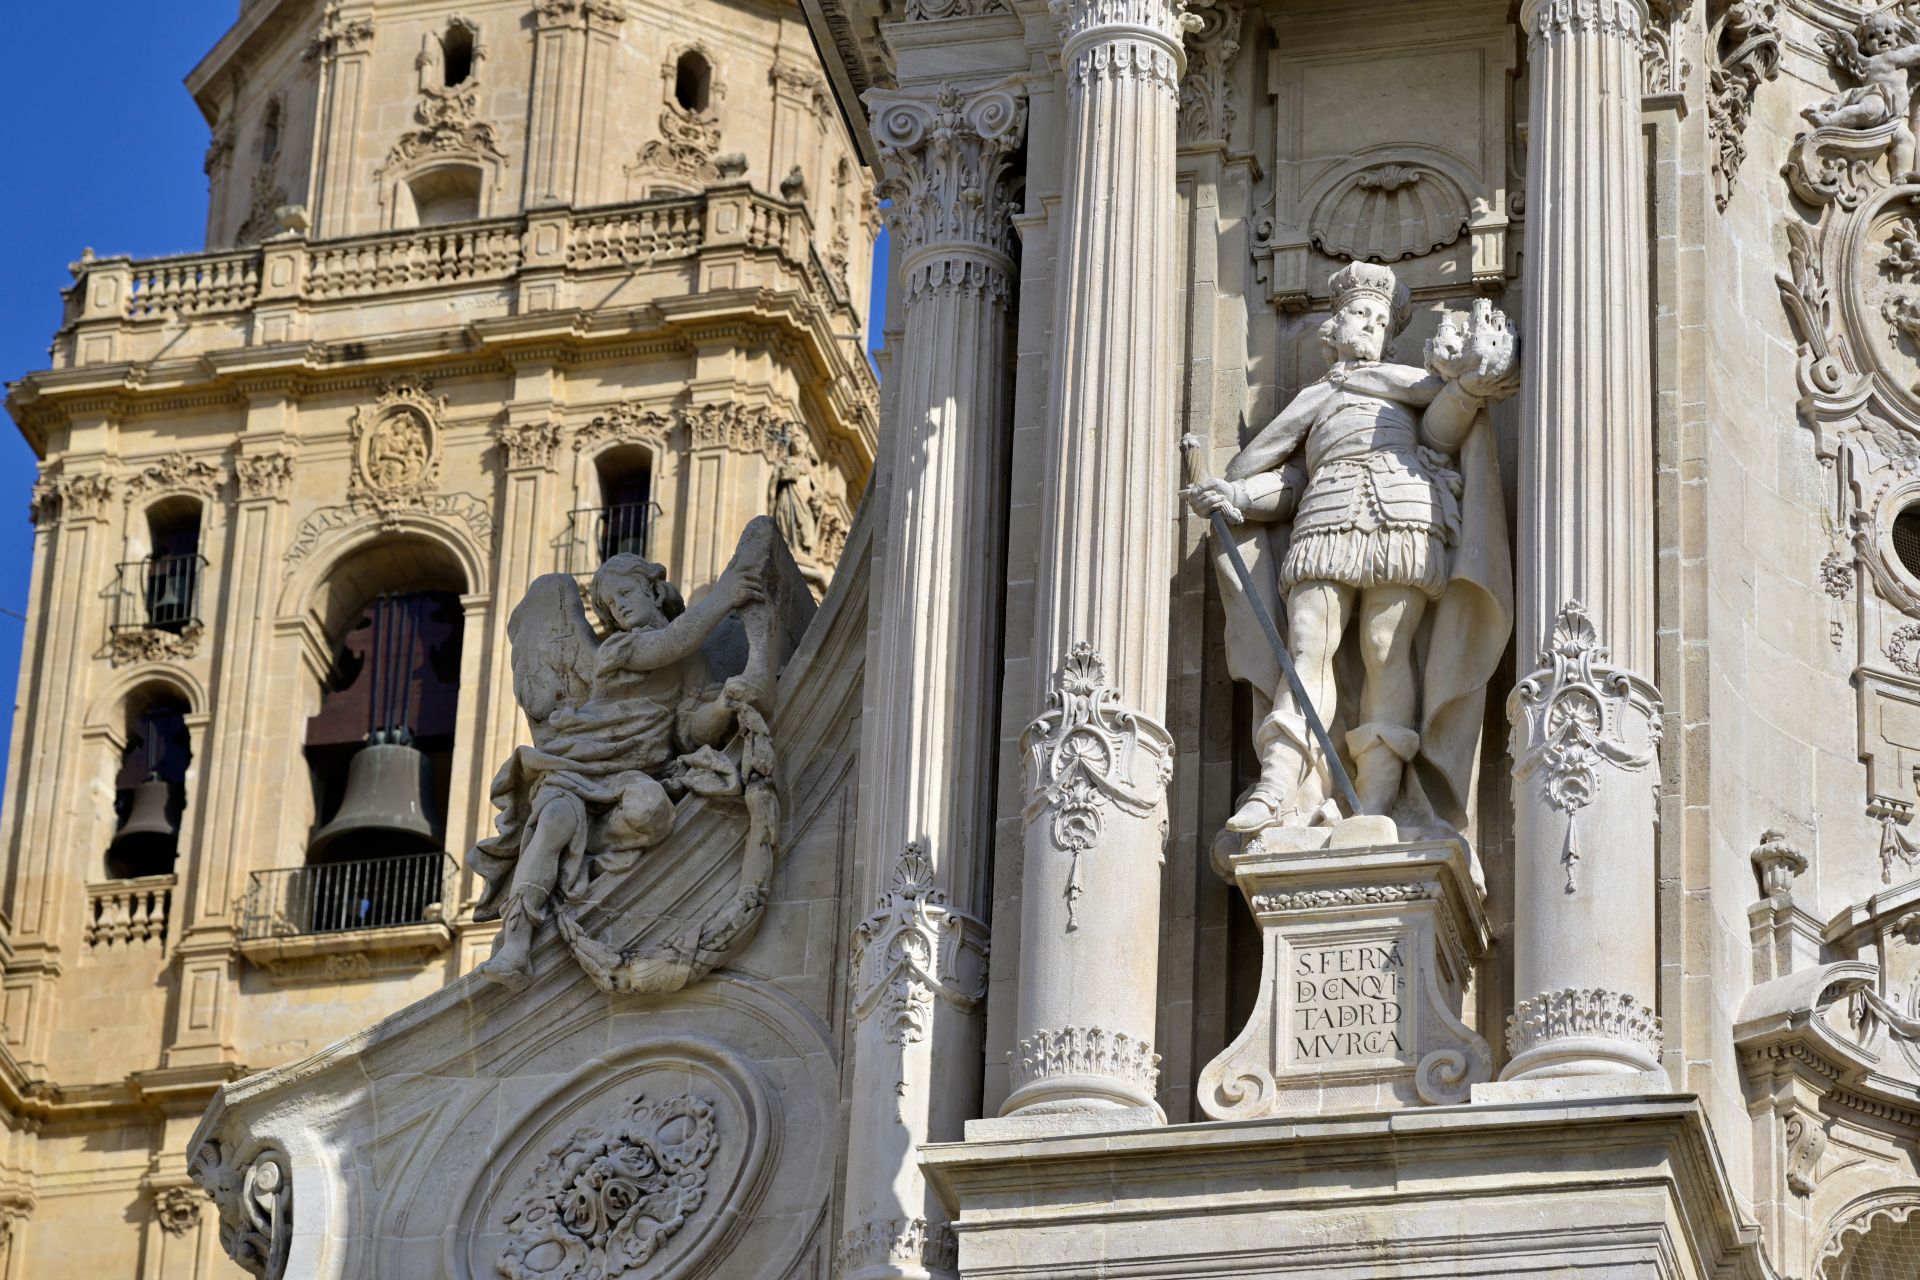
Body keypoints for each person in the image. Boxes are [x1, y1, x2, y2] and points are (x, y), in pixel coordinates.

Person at [1186, 263, 1514, 840]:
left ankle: (1378, 797)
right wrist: (1234, 493)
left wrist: (1467, 387)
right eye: (1362, 314)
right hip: (1327, 505)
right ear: (1333, 328)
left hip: (1402, 508)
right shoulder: (1319, 397)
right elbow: (1280, 479)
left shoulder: (1405, 382)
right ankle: (1279, 779)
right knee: (1309, 638)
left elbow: (1441, 432)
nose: (1372, 326)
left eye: (1382, 320)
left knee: (1387, 646)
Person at [470, 550, 764, 988]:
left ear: (655, 590)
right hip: (578, 762)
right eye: (609, 605)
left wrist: (723, 704)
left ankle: (583, 849)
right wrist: (725, 595)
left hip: (631, 773)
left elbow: (690, 730)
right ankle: (515, 944)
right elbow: (670, 644)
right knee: (552, 821)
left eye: (626, 593)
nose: (619, 607)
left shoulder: (692, 663)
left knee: (650, 811)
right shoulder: (623, 647)